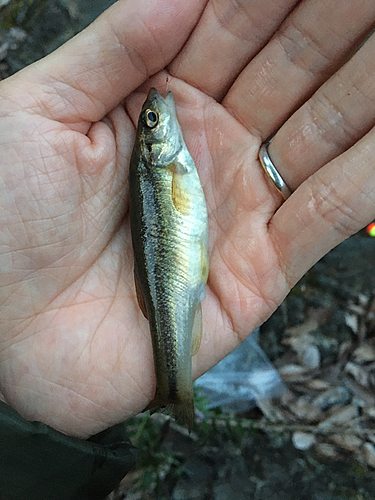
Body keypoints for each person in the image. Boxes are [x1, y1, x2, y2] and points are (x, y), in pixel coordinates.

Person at [1, 0, 375, 497]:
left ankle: (170, 392)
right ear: (154, 146)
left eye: (149, 119)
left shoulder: (163, 160)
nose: (158, 113)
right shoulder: (162, 162)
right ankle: (171, 390)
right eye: (154, 121)